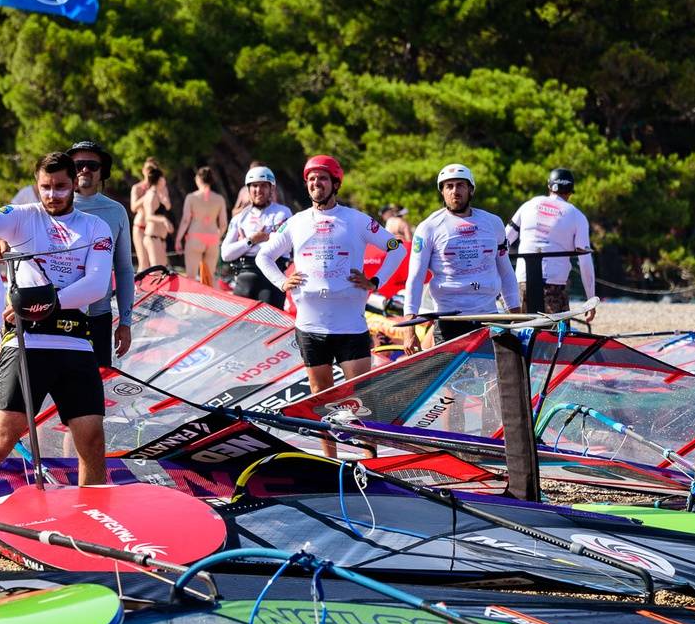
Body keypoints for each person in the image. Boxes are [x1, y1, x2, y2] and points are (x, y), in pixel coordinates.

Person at [0, 150, 114, 510]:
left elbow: (97, 285)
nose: (52, 195)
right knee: (5, 434)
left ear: (74, 184)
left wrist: (46, 303)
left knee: (91, 438)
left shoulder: (95, 228)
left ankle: (92, 519)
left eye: (60, 187)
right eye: (45, 187)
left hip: (74, 343)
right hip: (28, 343)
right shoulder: (23, 217)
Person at [255, 154, 406, 454]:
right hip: (310, 325)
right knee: (320, 397)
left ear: (335, 183)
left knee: (363, 396)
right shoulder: (296, 223)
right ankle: (331, 459)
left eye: (322, 179)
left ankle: (370, 458)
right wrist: (281, 282)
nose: (315, 184)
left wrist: (375, 281)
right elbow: (263, 256)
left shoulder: (356, 219)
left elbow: (396, 248)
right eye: (311, 180)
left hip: (349, 324)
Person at [403, 164, 519, 343]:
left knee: (496, 371)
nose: (454, 191)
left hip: (489, 317)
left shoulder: (493, 223)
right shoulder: (428, 228)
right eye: (449, 186)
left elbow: (505, 271)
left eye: (460, 185)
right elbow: (415, 278)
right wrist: (409, 329)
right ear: (442, 192)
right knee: (456, 372)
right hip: (450, 320)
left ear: (471, 190)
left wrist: (516, 315)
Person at [68, 139, 136, 365]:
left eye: (92, 165)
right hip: (60, 312)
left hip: (99, 316)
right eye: (79, 165)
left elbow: (125, 270)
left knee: (95, 392)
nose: (85, 169)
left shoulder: (116, 211)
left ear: (102, 173)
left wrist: (125, 322)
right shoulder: (53, 207)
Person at [506, 169, 597, 314]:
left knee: (519, 333)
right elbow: (585, 262)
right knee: (555, 335)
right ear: (570, 192)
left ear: (549, 187)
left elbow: (504, 241)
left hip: (522, 282)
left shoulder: (528, 205)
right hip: (554, 287)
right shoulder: (576, 216)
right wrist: (591, 299)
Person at [221, 165, 293, 308]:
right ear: (248, 189)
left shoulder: (283, 213)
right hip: (245, 275)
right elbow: (226, 254)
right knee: (240, 327)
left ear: (271, 188)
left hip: (272, 275)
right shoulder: (239, 218)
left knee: (271, 324)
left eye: (263, 186)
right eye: (254, 186)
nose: (258, 190)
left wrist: (244, 246)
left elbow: (284, 247)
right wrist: (252, 240)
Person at [175, 166, 229, 287]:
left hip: (195, 237)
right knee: (209, 278)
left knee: (191, 278)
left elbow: (185, 220)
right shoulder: (219, 199)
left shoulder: (192, 197)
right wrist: (218, 236)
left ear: (199, 179)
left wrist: (178, 239)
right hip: (212, 238)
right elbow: (224, 223)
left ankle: (190, 306)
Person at [130, 158, 173, 270]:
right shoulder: (138, 187)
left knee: (159, 264)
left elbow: (168, 205)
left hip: (155, 229)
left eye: (153, 169)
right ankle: (138, 287)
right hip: (141, 226)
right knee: (143, 263)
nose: (150, 171)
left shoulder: (160, 187)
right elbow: (133, 207)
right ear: (143, 170)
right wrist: (147, 196)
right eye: (148, 168)